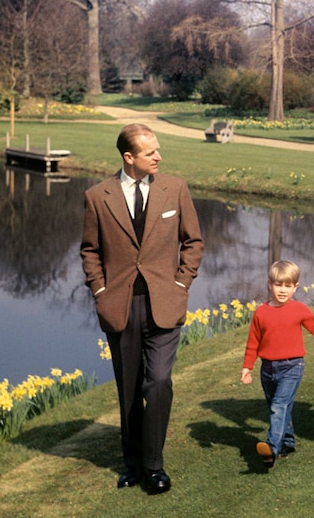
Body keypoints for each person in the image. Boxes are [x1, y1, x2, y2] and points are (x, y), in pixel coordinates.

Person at [80, 123, 204, 493]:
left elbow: (193, 242)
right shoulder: (97, 196)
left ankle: (154, 466)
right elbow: (90, 251)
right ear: (129, 157)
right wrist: (100, 291)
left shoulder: (175, 189)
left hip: (165, 302)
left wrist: (182, 283)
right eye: (151, 152)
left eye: (158, 150)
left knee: (160, 381)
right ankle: (132, 463)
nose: (159, 157)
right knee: (130, 389)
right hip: (119, 305)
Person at [241, 260, 314, 468]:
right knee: (281, 406)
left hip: (292, 367)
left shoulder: (299, 309)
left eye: (288, 286)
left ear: (295, 287)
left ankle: (272, 448)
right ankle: (288, 442)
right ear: (269, 284)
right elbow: (253, 343)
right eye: (278, 285)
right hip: (267, 369)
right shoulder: (261, 313)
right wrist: (247, 368)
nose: (282, 290)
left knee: (279, 406)